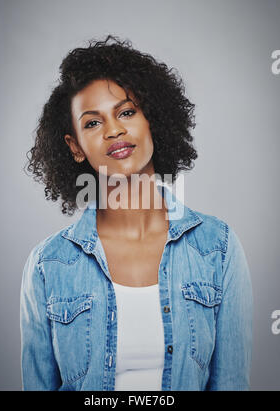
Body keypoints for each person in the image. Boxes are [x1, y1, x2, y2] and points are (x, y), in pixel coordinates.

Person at [20, 35, 253, 391]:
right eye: (92, 123)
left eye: (126, 112)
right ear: (75, 147)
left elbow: (231, 383)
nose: (114, 130)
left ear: (152, 121)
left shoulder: (217, 247)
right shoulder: (46, 265)